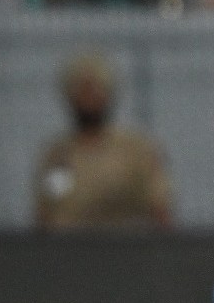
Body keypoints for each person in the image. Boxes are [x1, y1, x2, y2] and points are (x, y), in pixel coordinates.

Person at [33, 51, 172, 230]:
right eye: (81, 90)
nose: (88, 98)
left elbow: (160, 208)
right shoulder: (57, 156)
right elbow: (45, 213)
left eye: (94, 89)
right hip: (69, 252)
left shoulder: (136, 150)